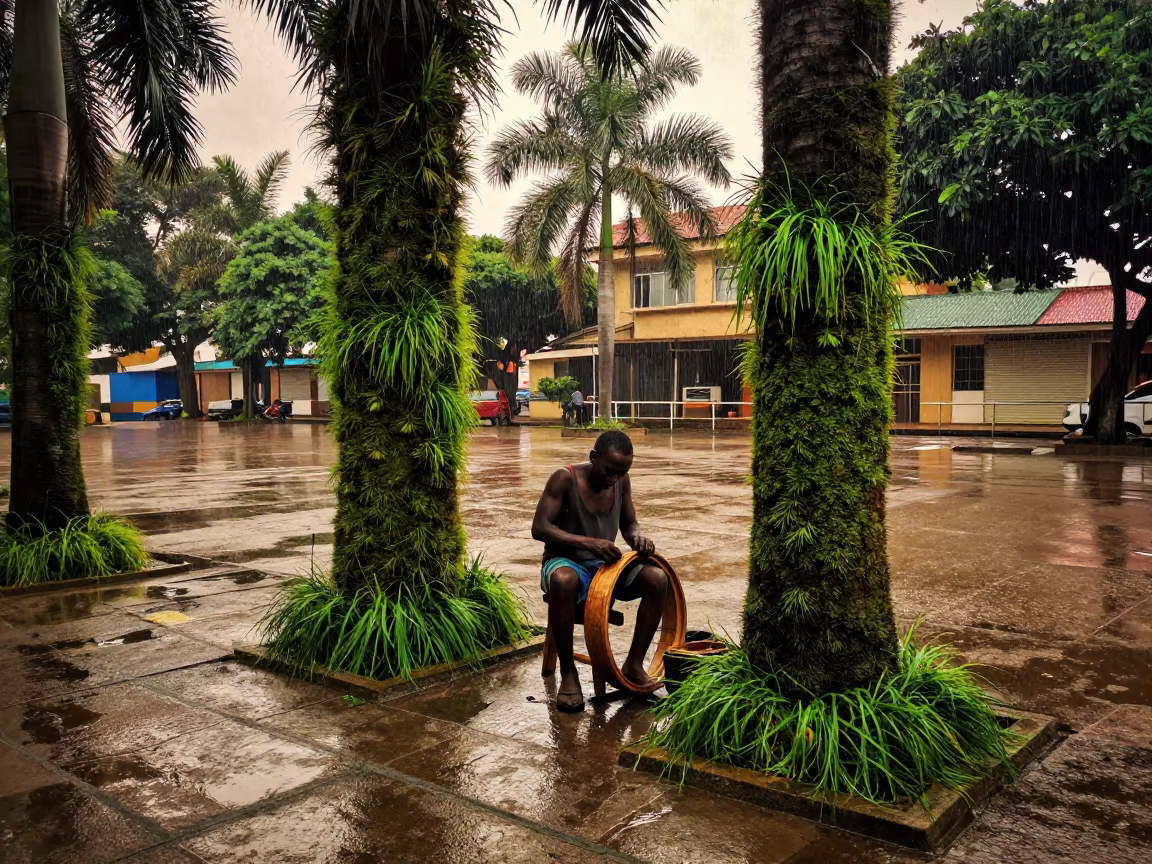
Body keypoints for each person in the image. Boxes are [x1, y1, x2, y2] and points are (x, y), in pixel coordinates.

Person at [531, 430, 667, 711]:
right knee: (563, 580)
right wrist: (589, 543)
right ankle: (568, 673)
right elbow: (540, 528)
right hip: (564, 561)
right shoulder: (564, 478)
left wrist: (638, 536)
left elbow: (629, 523)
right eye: (609, 470)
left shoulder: (621, 481)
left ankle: (633, 664)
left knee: (657, 578)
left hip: (604, 567)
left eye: (621, 472)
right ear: (593, 458)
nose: (613, 479)